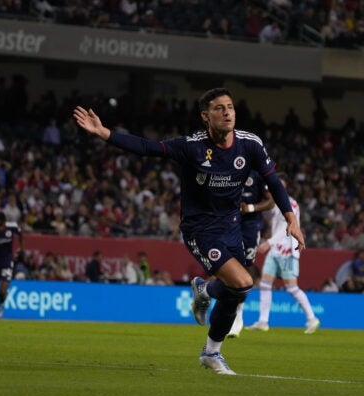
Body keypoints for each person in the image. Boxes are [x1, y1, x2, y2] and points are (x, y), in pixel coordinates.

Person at [74, 88, 305, 375]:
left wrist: (290, 218)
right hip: (200, 228)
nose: (227, 112)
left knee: (237, 292)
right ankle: (209, 337)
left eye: (230, 107)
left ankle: (209, 332)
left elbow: (274, 183)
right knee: (243, 282)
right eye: (219, 108)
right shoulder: (191, 146)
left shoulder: (250, 145)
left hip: (232, 225)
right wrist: (104, 132)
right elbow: (148, 147)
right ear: (205, 116)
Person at [246, 176, 320, 334]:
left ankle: (312, 318)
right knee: (265, 284)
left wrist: (269, 242)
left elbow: (287, 227)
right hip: (275, 251)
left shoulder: (290, 204)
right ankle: (263, 321)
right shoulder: (275, 204)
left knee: (292, 287)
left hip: (288, 251)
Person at [227, 170, 274, 337]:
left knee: (245, 269)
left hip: (250, 227)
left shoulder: (258, 174)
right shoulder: (229, 167)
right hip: (229, 223)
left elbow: (271, 201)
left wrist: (252, 207)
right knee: (228, 266)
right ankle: (232, 314)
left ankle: (238, 313)